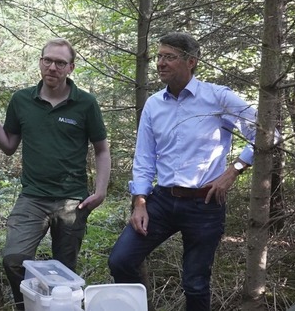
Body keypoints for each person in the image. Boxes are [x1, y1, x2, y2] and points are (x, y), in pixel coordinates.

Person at [108, 32, 261, 311]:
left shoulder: (217, 97)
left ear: (191, 61)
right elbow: (144, 158)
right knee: (121, 260)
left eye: (169, 57)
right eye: (159, 56)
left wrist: (234, 170)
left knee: (196, 283)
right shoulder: (154, 104)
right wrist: (139, 202)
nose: (160, 63)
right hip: (163, 200)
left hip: (205, 203)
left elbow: (266, 133)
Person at [0, 38, 111, 309]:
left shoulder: (85, 103)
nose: (52, 67)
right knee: (14, 260)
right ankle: (28, 306)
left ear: (71, 68)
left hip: (71, 200)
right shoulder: (21, 100)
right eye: (48, 60)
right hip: (32, 198)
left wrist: (100, 191)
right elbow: (9, 146)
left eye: (60, 62)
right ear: (40, 62)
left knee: (64, 273)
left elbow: (101, 150)